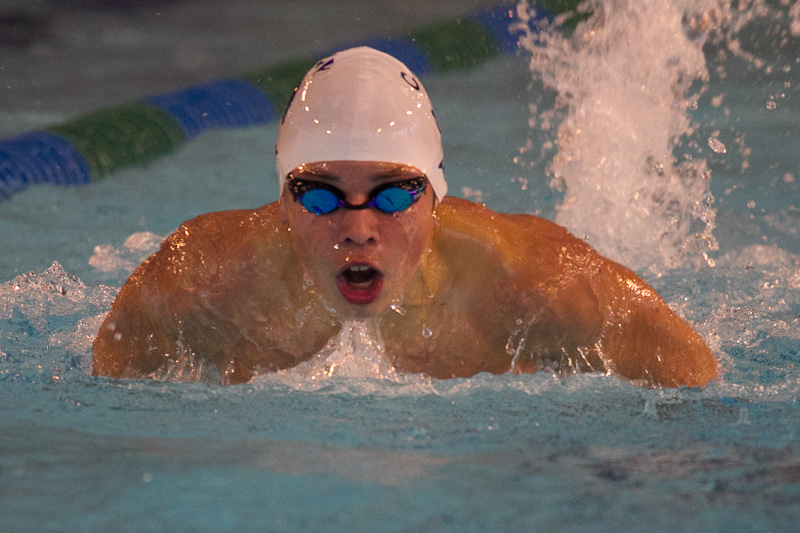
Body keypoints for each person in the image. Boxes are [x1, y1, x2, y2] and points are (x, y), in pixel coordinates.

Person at [92, 47, 717, 387]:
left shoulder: (537, 285)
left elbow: (696, 383)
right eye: (320, 195)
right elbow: (106, 390)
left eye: (392, 196)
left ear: (436, 198)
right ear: (283, 200)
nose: (358, 227)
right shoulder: (200, 283)